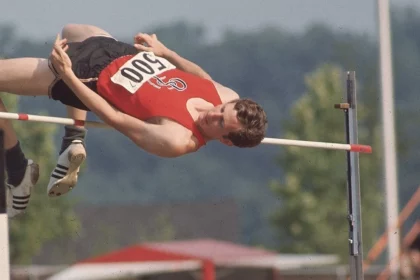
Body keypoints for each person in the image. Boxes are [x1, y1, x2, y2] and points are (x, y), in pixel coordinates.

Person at [0, 24, 268, 218]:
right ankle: (73, 137)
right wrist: (167, 53)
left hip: (89, 76)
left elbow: (114, 117)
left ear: (225, 141)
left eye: (220, 124)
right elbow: (203, 79)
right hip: (121, 53)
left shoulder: (176, 138)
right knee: (71, 29)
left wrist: (68, 76)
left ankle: (17, 167)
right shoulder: (226, 95)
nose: (214, 113)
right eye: (223, 110)